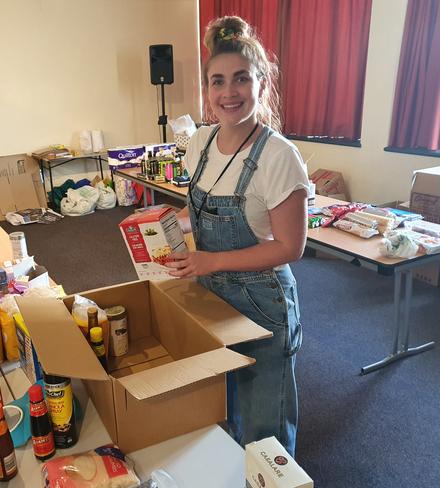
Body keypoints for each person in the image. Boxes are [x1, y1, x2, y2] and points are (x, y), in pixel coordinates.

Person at [165, 16, 309, 456]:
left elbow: (290, 247)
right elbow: (201, 210)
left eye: (241, 79)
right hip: (210, 295)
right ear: (207, 90)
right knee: (223, 408)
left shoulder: (279, 156)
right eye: (218, 81)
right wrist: (169, 222)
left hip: (261, 302)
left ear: (261, 84)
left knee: (264, 425)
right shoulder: (201, 144)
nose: (229, 92)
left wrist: (212, 261)